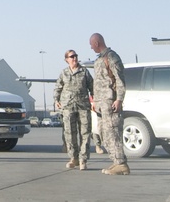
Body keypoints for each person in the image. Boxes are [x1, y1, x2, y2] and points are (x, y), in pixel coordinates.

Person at [89, 33, 128, 175]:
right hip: (101, 105)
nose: (91, 47)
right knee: (104, 133)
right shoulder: (99, 59)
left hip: (110, 102)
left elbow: (119, 79)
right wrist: (94, 101)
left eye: (91, 44)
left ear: (97, 42)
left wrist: (119, 99)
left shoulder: (111, 57)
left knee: (113, 132)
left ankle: (121, 163)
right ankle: (115, 161)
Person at [54, 49, 94, 170]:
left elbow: (92, 87)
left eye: (75, 56)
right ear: (67, 59)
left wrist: (94, 101)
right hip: (68, 107)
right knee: (70, 134)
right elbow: (58, 87)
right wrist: (56, 100)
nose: (74, 58)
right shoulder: (64, 73)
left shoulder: (84, 72)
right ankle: (73, 158)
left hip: (83, 106)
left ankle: (83, 159)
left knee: (85, 133)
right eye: (72, 56)